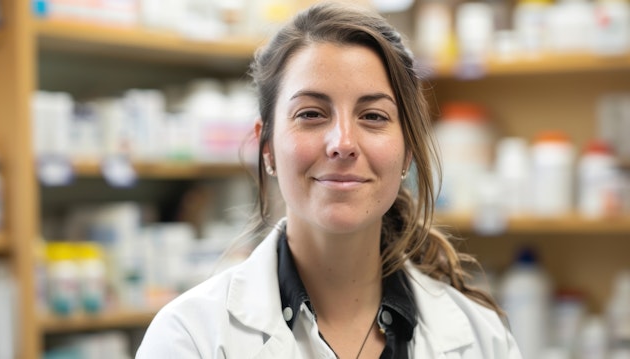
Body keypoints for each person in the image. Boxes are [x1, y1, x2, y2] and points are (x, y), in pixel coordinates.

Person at [136, 2, 522, 358]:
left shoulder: (483, 340)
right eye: (311, 114)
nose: (343, 143)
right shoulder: (188, 338)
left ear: (407, 151)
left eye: (373, 116)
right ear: (267, 146)